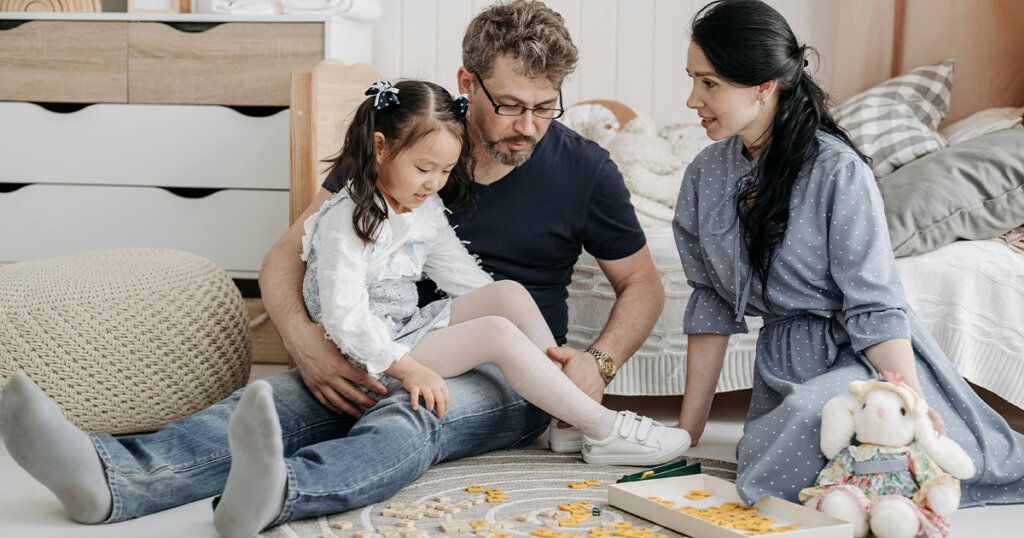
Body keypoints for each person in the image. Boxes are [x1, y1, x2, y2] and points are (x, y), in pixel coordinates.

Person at [0, 1, 665, 537]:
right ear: (467, 84)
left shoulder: (584, 169)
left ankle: (285, 491)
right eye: (512, 105)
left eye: (545, 106)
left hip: (507, 370)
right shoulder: (404, 138)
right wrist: (305, 341)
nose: (529, 126)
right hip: (382, 337)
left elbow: (642, 285)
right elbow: (289, 252)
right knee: (274, 403)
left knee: (413, 411)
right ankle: (112, 476)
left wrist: (597, 363)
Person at [673, 0, 1024, 509]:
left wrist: (913, 404)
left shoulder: (837, 172)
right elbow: (710, 300)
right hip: (785, 363)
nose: (691, 99)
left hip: (862, 356)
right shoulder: (705, 174)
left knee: (809, 436)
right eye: (692, 79)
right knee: (775, 447)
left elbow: (876, 307)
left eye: (709, 84)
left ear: (763, 85)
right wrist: (688, 432)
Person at [297, 77, 688, 467]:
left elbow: (462, 276)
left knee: (509, 295)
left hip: (403, 328)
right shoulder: (344, 220)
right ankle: (603, 428)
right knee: (496, 334)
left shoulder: (422, 205)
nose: (433, 183)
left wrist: (503, 312)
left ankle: (568, 415)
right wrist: (411, 370)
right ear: (380, 148)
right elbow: (345, 316)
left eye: (446, 171)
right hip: (368, 353)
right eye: (423, 168)